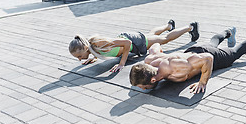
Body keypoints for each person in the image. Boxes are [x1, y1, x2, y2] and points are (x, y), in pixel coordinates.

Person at [129, 27, 246, 94]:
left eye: (143, 87)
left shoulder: (175, 67)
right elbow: (154, 46)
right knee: (212, 42)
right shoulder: (150, 62)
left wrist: (203, 82)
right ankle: (228, 32)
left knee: (234, 53)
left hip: (205, 55)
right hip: (193, 52)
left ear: (153, 80)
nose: (142, 89)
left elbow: (208, 59)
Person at [69, 20, 199, 73]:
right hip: (130, 37)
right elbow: (100, 52)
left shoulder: (98, 43)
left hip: (133, 41)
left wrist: (122, 63)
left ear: (85, 48)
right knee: (151, 35)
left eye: (80, 56)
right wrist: (92, 58)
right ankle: (169, 25)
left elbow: (127, 44)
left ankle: (191, 27)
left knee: (164, 40)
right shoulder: (91, 48)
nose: (80, 59)